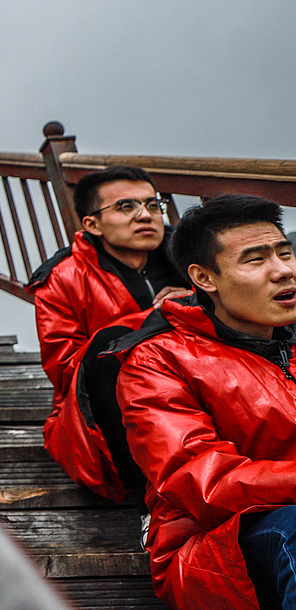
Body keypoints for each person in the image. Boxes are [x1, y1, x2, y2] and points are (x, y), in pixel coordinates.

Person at [112, 195, 296, 610]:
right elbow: (200, 481)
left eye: (285, 253)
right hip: (212, 543)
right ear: (204, 278)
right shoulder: (156, 360)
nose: (283, 270)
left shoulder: (290, 342)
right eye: (255, 260)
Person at [27, 166, 188, 503]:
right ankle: (153, 498)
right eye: (126, 207)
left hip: (191, 390)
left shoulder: (192, 259)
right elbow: (66, 368)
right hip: (105, 412)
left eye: (152, 205)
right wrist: (158, 318)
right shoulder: (63, 277)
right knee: (107, 346)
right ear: (92, 224)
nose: (145, 216)